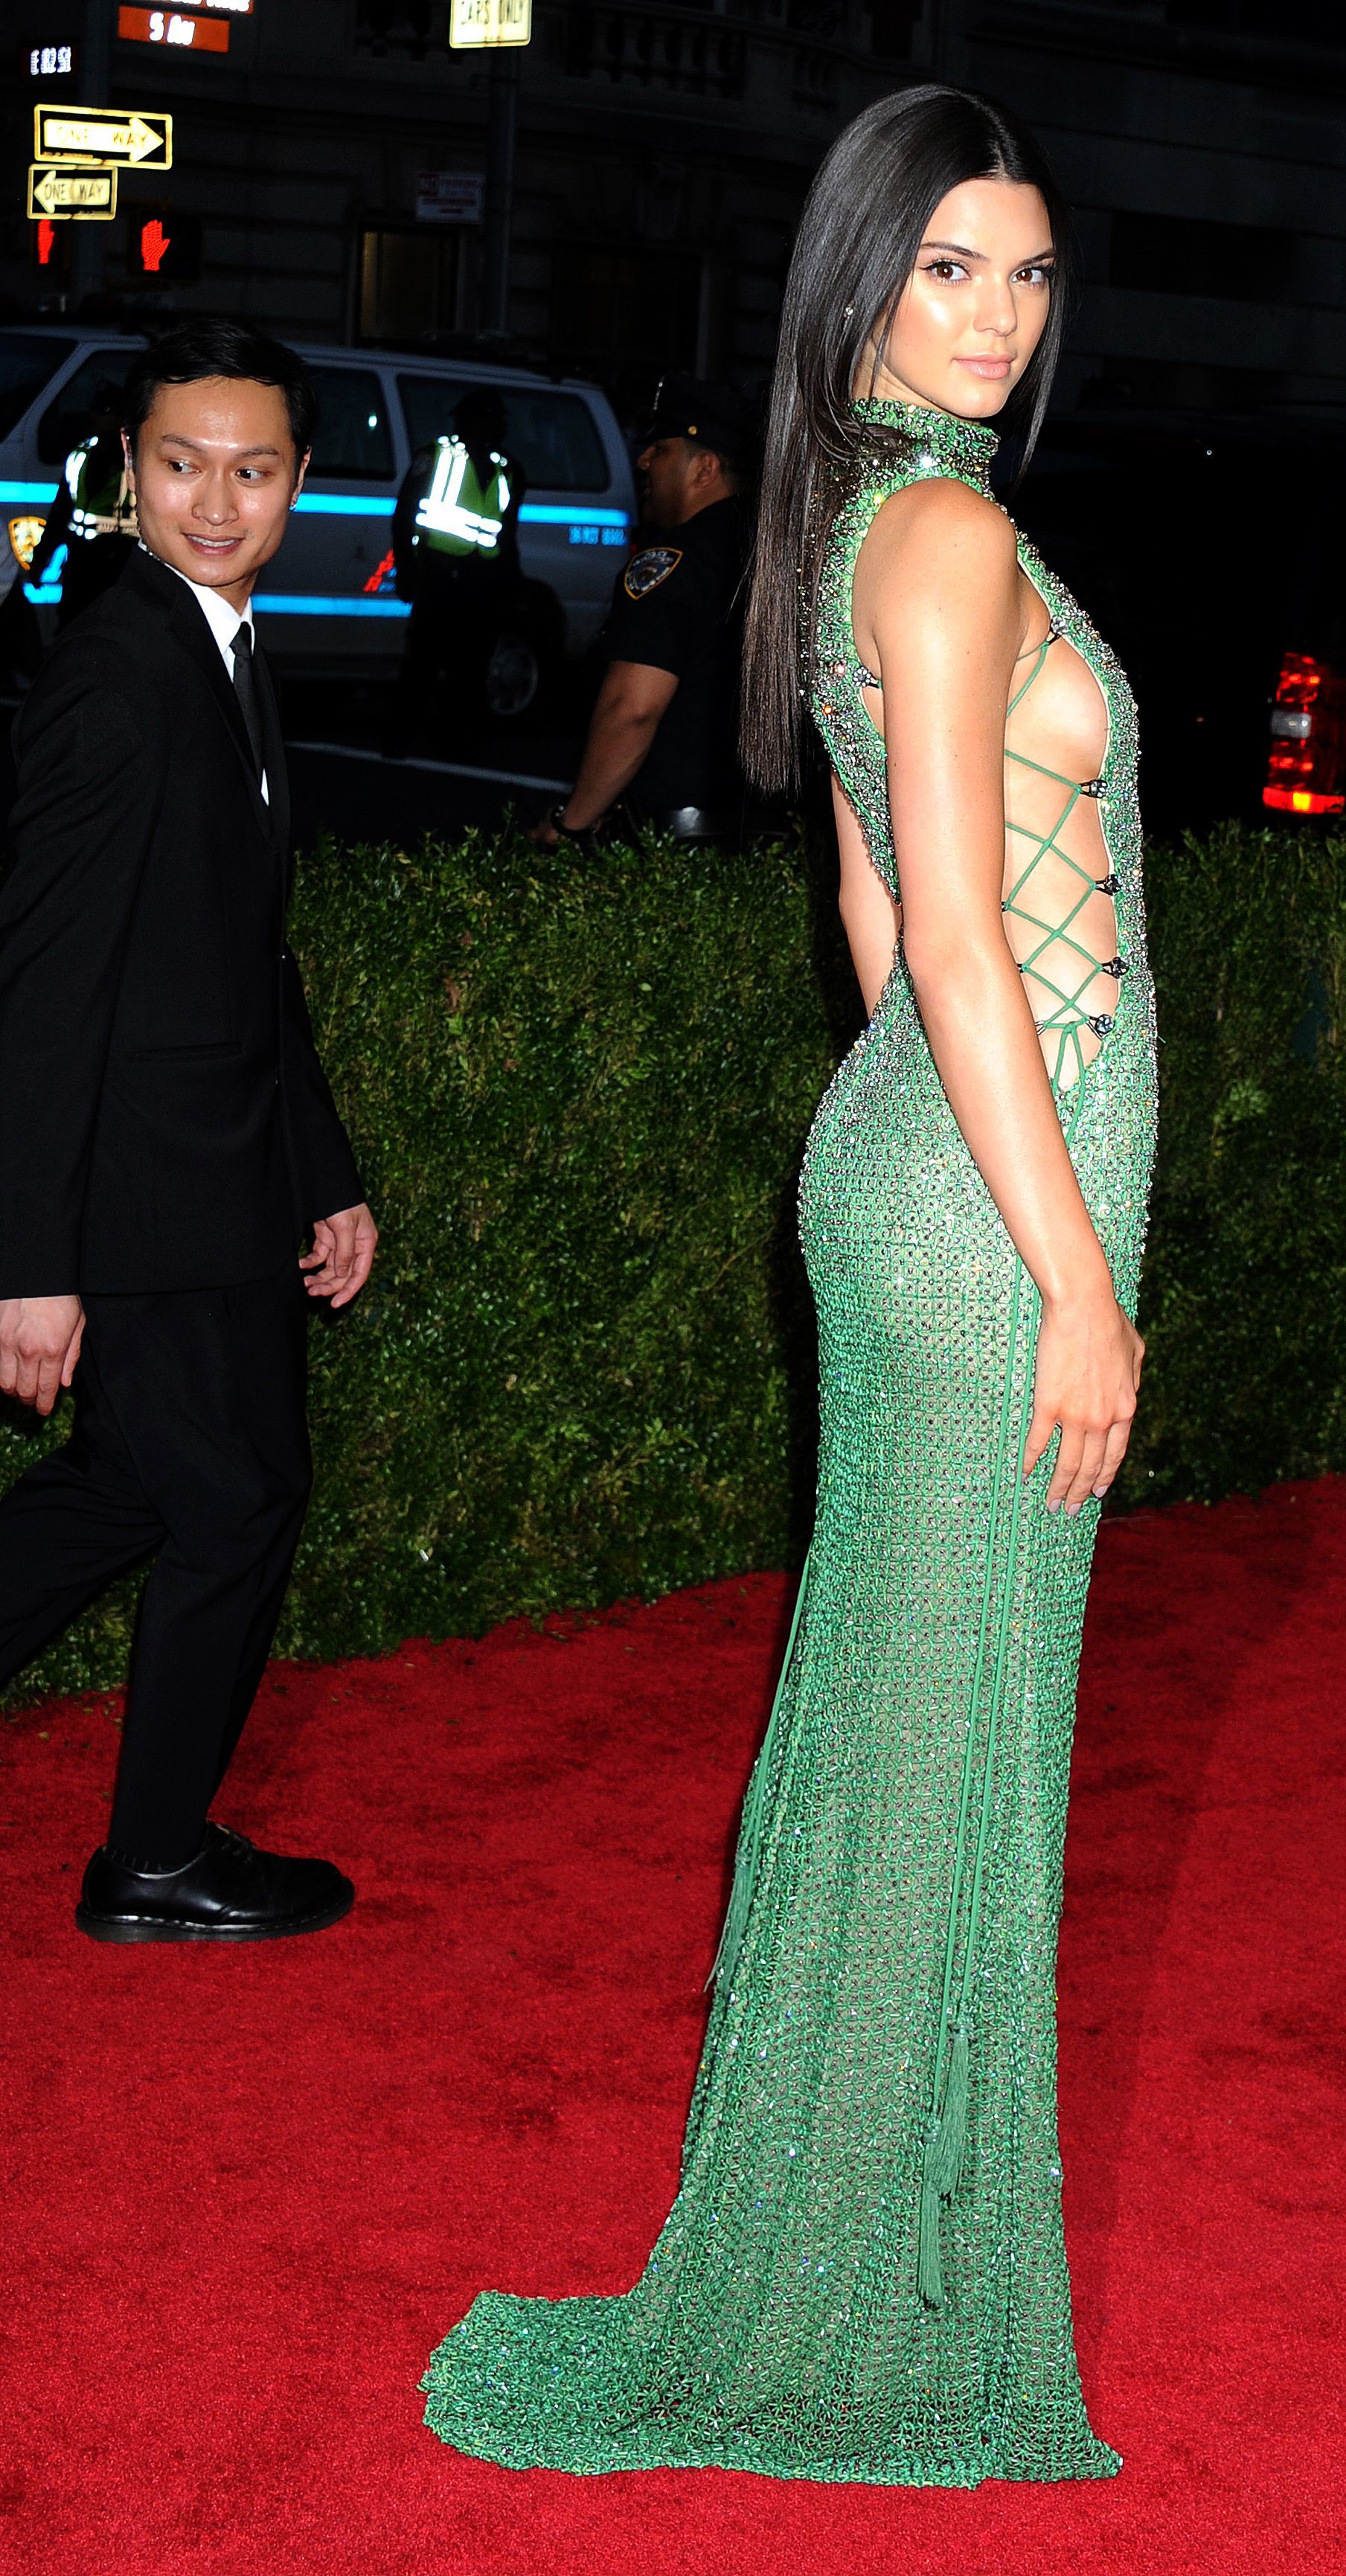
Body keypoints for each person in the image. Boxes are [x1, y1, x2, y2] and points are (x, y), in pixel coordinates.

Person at [423, 86, 1152, 2483]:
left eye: (1026, 272)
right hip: (997, 1198)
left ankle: (863, 2228)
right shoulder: (939, 528)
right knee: (943, 1730)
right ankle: (862, 2287)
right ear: (861, 275)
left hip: (937, 1164)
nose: (996, 313)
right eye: (949, 265)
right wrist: (1065, 1273)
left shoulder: (852, 515)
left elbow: (866, 898)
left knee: (909, 1723)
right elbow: (953, 935)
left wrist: (927, 1157)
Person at [0, 319, 377, 1944]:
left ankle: (157, 1850)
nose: (215, 503)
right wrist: (31, 1261)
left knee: (135, 1492)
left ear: (299, 481)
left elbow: (243, 959)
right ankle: (153, 1859)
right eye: (179, 465)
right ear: (128, 469)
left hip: (218, 1178)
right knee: (236, 1503)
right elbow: (44, 983)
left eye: (252, 469)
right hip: (143, 1199)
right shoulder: (122, 669)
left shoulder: (216, 640)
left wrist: (323, 1170)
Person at [532, 375, 750, 852]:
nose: (643, 460)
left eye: (662, 449)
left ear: (705, 468)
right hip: (772, 841)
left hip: (677, 845)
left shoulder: (673, 563)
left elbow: (632, 709)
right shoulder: (775, 558)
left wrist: (573, 824)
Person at [389, 386, 527, 752]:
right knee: (423, 660)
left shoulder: (508, 469)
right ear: (476, 419)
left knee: (472, 664)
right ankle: (400, 739)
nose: (503, 425)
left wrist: (510, 585)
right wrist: (407, 569)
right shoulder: (435, 456)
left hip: (482, 583)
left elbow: (507, 532)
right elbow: (405, 515)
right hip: (439, 576)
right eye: (496, 417)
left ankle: (457, 741)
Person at [39, 379, 141, 628]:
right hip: (81, 563)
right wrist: (41, 557)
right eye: (94, 410)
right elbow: (61, 511)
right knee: (73, 628)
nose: (96, 417)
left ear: (122, 417)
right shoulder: (81, 455)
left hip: (122, 564)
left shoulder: (139, 461)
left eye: (104, 411)